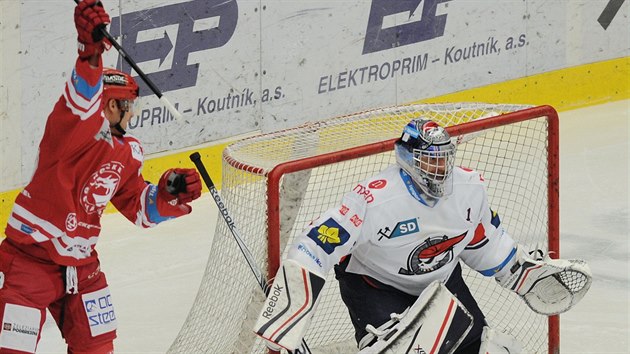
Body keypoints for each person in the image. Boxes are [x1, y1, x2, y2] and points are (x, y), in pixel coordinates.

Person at [253, 118, 591, 353]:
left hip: (442, 281)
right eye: (430, 161)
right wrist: (291, 303)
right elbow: (318, 244)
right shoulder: (376, 197)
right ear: (408, 159)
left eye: (443, 160)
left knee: (486, 349)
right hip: (376, 286)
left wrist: (517, 271)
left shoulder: (470, 188)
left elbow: (477, 237)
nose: (440, 169)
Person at [0, 1, 202, 353]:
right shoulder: (72, 128)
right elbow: (82, 96)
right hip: (29, 262)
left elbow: (139, 207)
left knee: (98, 348)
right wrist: (90, 52)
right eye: (129, 108)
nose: (132, 115)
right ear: (112, 106)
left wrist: (171, 192)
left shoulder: (128, 151)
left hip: (82, 268)